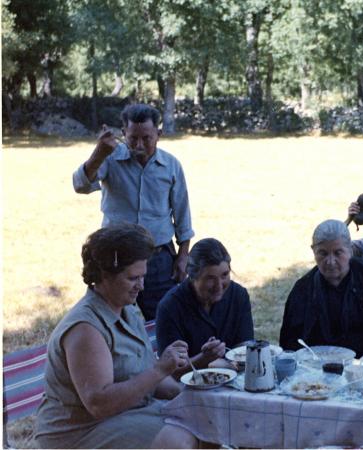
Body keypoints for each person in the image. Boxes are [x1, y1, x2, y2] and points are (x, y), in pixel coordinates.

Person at [34, 224, 197, 449]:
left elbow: (145, 374)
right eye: (133, 278)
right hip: (79, 432)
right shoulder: (85, 328)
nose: (141, 286)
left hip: (127, 415)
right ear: (104, 276)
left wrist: (188, 397)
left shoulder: (127, 309)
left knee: (203, 423)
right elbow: (99, 404)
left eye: (143, 277)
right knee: (179, 440)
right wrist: (159, 370)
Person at [73, 103, 194, 320]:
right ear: (123, 134)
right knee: (110, 319)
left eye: (146, 138)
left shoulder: (171, 166)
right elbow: (80, 185)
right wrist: (99, 153)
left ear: (158, 134)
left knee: (163, 318)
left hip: (158, 259)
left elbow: (182, 214)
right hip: (116, 258)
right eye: (133, 139)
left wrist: (183, 256)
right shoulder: (109, 158)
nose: (139, 145)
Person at [279, 219, 363, 357]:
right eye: (323, 253)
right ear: (313, 251)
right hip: (315, 365)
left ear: (350, 250)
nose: (330, 261)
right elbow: (291, 341)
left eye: (338, 253)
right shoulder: (303, 290)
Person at [156, 238, 254, 377]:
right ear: (192, 277)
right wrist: (203, 359)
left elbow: (245, 350)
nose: (219, 286)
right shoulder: (170, 307)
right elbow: (168, 372)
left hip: (235, 378)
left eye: (224, 275)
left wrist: (229, 365)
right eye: (210, 278)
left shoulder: (239, 295)